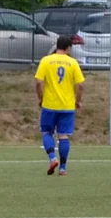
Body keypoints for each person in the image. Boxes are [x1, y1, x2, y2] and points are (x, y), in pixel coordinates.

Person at [34, 35, 86, 176]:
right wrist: (78, 101)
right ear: (68, 48)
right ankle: (63, 168)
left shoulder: (46, 60)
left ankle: (52, 158)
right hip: (67, 106)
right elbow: (80, 85)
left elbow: (39, 82)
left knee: (46, 133)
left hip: (49, 104)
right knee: (63, 136)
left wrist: (40, 98)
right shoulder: (73, 63)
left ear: (57, 46)